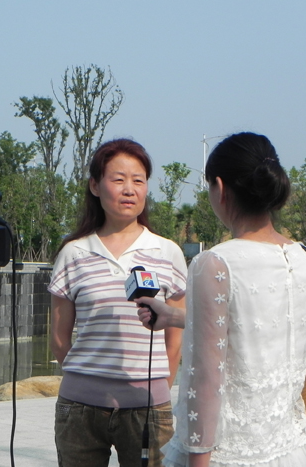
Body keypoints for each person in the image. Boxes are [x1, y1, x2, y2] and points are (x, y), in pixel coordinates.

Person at [137, 132, 306, 467]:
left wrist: (197, 459)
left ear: (219, 188)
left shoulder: (216, 263)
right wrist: (171, 316)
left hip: (229, 454)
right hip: (288, 448)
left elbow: (205, 378)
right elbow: (249, 328)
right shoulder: (301, 257)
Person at [49, 138, 188, 467]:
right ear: (95, 186)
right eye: (118, 179)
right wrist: (89, 380)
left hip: (148, 408)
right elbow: (58, 335)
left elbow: (176, 337)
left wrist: (158, 390)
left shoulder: (167, 252)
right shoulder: (74, 252)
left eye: (138, 180)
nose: (129, 190)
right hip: (79, 411)